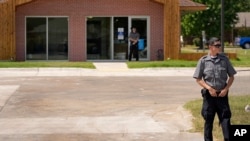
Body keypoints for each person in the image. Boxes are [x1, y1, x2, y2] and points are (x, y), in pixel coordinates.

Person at [193, 37, 237, 141]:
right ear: (210, 47)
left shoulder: (225, 60)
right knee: (208, 122)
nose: (219, 47)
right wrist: (209, 88)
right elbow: (198, 79)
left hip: (222, 95)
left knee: (226, 121)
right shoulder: (203, 61)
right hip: (209, 97)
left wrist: (226, 89)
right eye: (217, 45)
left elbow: (231, 76)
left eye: (220, 45)